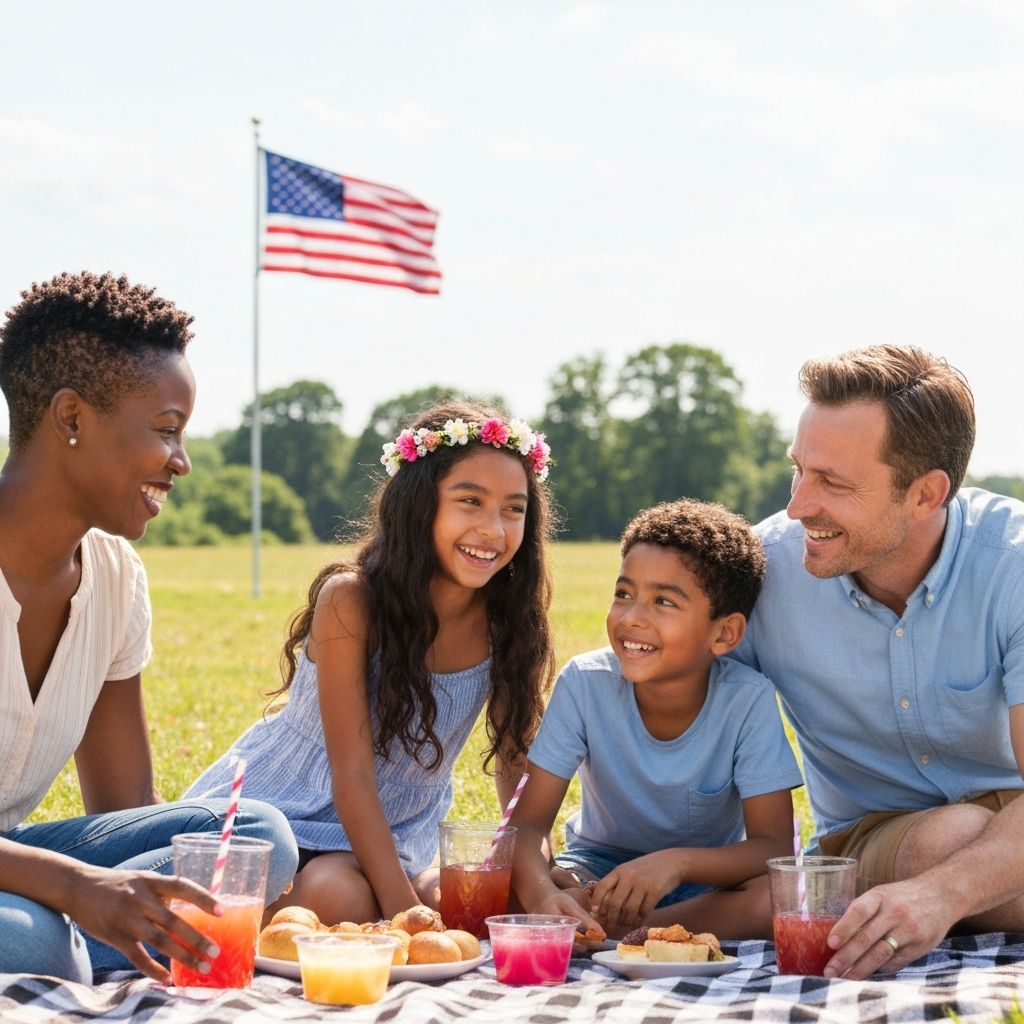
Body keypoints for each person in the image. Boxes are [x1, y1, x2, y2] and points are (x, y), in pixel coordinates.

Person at [0, 272, 297, 983]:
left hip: (16, 857)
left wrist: (129, 892)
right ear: (71, 418)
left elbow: (126, 809)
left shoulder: (115, 578)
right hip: (34, 887)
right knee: (36, 939)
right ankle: (64, 944)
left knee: (254, 838)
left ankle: (75, 945)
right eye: (166, 431)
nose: (183, 463)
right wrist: (76, 890)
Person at [186, 401, 556, 925]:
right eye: (469, 501)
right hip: (287, 812)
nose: (493, 529)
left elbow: (517, 767)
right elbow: (353, 777)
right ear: (418, 503)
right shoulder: (351, 601)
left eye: (513, 509)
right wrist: (403, 907)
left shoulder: (506, 621)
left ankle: (387, 896)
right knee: (345, 901)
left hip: (395, 835)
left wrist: (537, 877)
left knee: (488, 901)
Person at [735, 343, 1024, 980]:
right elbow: (666, 710)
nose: (797, 506)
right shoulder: (763, 571)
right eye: (799, 470)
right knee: (944, 842)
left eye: (832, 483)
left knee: (966, 848)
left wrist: (941, 898)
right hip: (876, 837)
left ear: (926, 494)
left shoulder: (1013, 563)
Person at [509, 499, 803, 941]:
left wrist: (675, 863)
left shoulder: (747, 699)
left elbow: (774, 847)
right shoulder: (585, 683)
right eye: (624, 593)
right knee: (503, 890)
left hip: (704, 883)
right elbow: (528, 826)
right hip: (598, 874)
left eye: (663, 601)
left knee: (784, 898)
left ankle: (636, 931)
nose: (631, 618)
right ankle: (602, 923)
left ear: (724, 633)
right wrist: (543, 897)